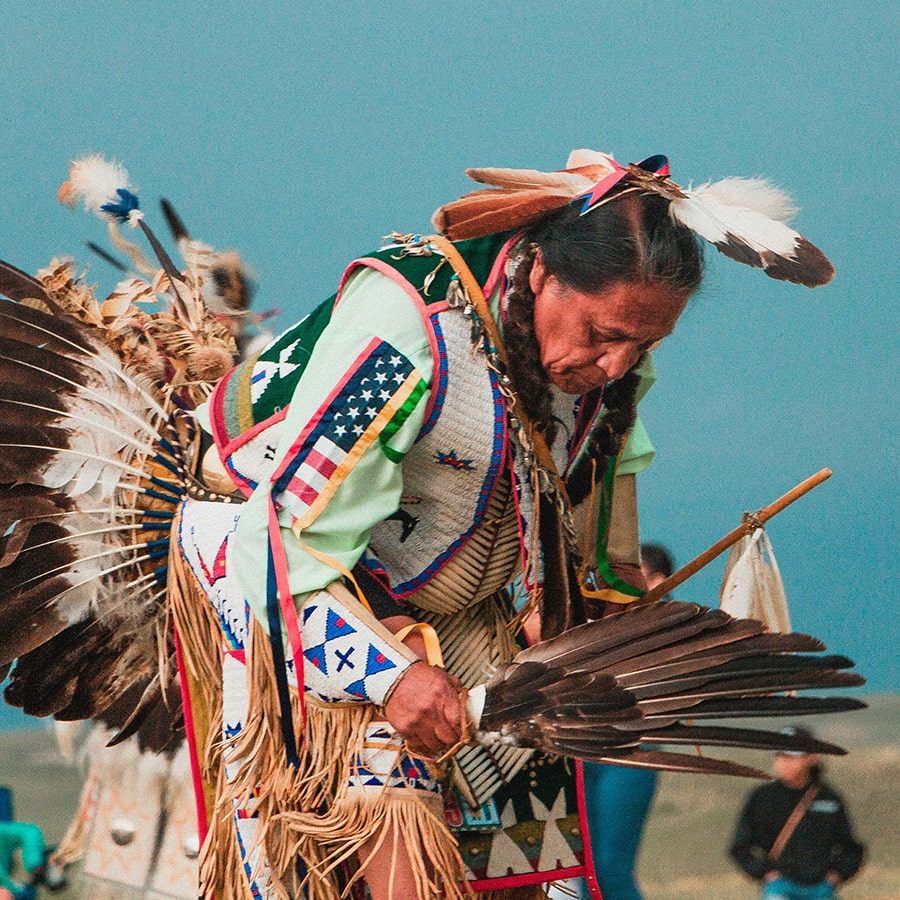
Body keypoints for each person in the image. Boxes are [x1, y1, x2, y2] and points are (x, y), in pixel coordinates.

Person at [0, 147, 843, 900]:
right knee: (393, 816)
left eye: (643, 343)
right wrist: (389, 674)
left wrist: (587, 608)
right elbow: (278, 546)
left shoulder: (609, 369)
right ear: (543, 275)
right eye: (603, 333)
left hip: (455, 608)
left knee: (520, 844)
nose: (617, 361)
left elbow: (600, 495)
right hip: (284, 578)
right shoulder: (405, 335)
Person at [579, 543, 674, 900]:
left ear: (658, 582)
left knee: (611, 867)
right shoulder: (600, 615)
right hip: (582, 745)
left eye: (634, 576)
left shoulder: (668, 626)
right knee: (584, 868)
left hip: (631, 751)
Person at [730, 726, 865, 899]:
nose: (785, 762)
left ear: (811, 758)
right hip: (780, 887)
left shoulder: (829, 798)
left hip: (821, 888)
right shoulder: (762, 797)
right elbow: (740, 845)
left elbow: (851, 847)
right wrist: (763, 871)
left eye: (793, 757)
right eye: (781, 756)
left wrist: (838, 874)